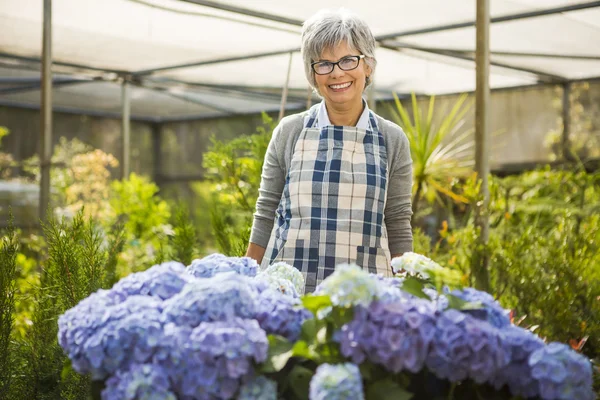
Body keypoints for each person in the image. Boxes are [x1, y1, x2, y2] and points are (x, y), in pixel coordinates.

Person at [246, 8, 413, 292]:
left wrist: (409, 292)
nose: (337, 73)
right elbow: (265, 213)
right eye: (323, 64)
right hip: (290, 293)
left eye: (348, 60)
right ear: (313, 74)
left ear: (368, 65)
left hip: (365, 296)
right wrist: (245, 283)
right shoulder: (291, 132)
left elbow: (397, 221)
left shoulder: (391, 138)